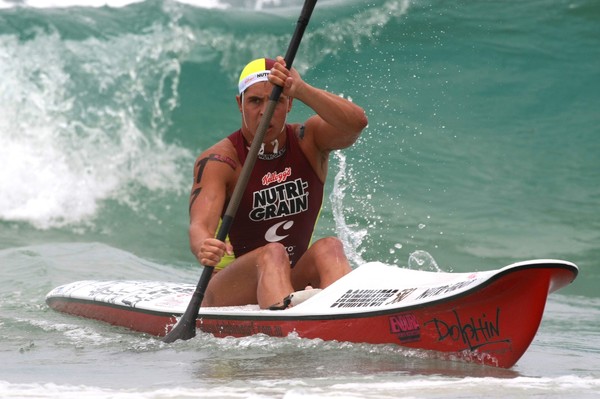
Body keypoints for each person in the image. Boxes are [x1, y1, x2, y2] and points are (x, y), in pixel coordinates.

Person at [189, 56, 368, 309]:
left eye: (276, 100)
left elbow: (356, 123)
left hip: (288, 278)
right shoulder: (221, 161)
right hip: (227, 291)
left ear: (289, 103)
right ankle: (288, 331)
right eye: (254, 101)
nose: (265, 110)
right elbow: (199, 225)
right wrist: (203, 246)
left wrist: (302, 89)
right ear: (240, 104)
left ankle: (348, 318)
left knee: (330, 246)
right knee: (273, 252)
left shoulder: (308, 142)